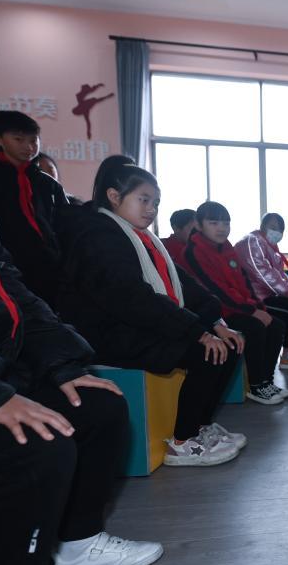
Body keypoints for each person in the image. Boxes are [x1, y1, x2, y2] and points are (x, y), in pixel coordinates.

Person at [0, 167, 162, 565]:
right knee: (36, 446)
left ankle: (77, 545)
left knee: (97, 405)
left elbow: (10, 292)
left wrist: (60, 364)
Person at [57, 161, 246, 467]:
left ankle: (200, 426)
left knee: (230, 345)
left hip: (137, 322)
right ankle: (183, 442)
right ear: (114, 196)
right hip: (107, 333)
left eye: (155, 202)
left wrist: (216, 321)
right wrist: (197, 332)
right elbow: (131, 298)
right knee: (205, 354)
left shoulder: (142, 237)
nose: (151, 209)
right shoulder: (98, 235)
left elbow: (183, 283)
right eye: (143, 200)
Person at [185, 201, 288, 405]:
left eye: (226, 223)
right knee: (255, 327)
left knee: (276, 324)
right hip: (215, 314)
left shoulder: (226, 247)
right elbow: (216, 290)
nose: (222, 228)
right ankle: (256, 386)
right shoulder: (194, 251)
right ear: (198, 224)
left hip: (237, 307)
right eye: (214, 223)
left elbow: (244, 282)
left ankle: (266, 381)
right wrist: (252, 311)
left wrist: (258, 306)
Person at [0, 111, 70, 306]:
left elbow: (62, 223)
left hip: (46, 266)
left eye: (33, 140)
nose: (28, 147)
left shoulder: (45, 182)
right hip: (4, 264)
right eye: (18, 139)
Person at [235, 212, 288, 371]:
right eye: (273, 227)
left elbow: (279, 275)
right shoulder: (252, 241)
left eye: (280, 230)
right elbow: (263, 273)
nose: (277, 232)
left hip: (267, 294)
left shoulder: (270, 247)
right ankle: (287, 358)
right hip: (255, 297)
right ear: (262, 226)